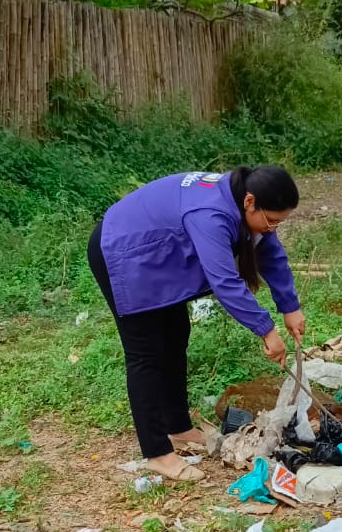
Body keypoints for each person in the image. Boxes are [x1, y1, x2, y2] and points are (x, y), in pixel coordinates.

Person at [88, 166, 305, 483]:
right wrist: (266, 330)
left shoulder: (242, 201)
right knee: (145, 352)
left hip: (157, 253)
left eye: (279, 223)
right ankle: (157, 453)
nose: (273, 228)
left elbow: (270, 252)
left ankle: (178, 428)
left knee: (175, 334)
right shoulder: (210, 215)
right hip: (122, 250)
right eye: (271, 220)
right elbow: (225, 282)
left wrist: (290, 307)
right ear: (250, 202)